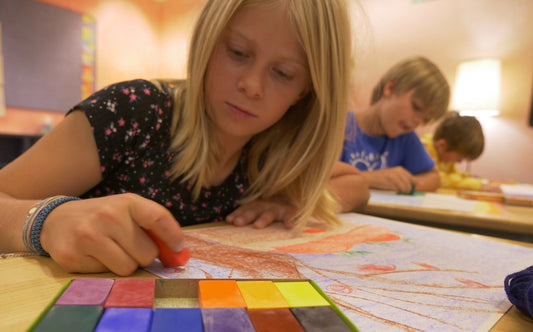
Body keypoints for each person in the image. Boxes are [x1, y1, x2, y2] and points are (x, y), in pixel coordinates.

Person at [0, 0, 369, 275]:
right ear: (208, 42)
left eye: (284, 73)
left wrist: (296, 204)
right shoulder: (133, 113)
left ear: (306, 91)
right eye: (238, 53)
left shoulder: (270, 151)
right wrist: (46, 220)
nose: (251, 86)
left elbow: (356, 185)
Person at [340, 56, 450, 193]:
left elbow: (434, 177)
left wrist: (406, 184)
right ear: (390, 88)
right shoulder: (339, 126)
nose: (417, 122)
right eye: (416, 107)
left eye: (425, 120)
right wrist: (370, 179)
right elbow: (318, 180)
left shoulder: (406, 137)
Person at [420, 111, 500, 192]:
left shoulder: (444, 155)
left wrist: (471, 179)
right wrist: (474, 185)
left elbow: (453, 174)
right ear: (442, 145)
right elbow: (436, 178)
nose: (459, 162)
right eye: (459, 158)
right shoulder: (424, 148)